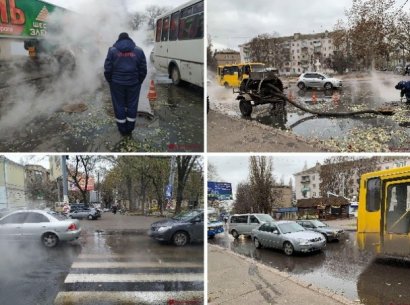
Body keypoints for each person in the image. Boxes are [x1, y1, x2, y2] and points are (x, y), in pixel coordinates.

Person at [104, 32, 147, 136]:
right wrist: (139, 81)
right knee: (132, 104)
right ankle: (130, 128)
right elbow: (143, 69)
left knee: (119, 105)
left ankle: (122, 129)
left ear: (118, 40)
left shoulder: (112, 50)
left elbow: (107, 69)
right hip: (133, 83)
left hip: (117, 83)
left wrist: (110, 81)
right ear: (129, 39)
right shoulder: (139, 51)